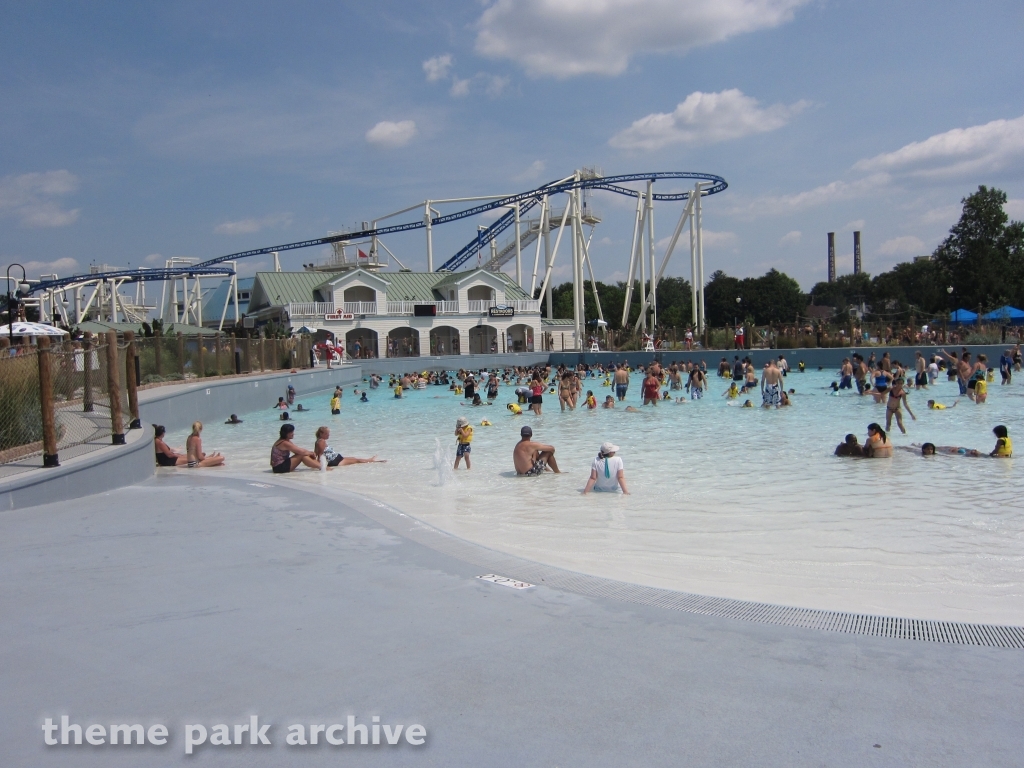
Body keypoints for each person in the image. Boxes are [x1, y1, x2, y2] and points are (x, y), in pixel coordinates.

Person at [314, 426, 383, 468]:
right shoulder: (322, 441)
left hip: (335, 458)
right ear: (321, 434)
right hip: (334, 461)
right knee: (357, 461)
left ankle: (369, 460)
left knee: (354, 458)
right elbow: (320, 455)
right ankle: (374, 461)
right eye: (327, 434)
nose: (328, 435)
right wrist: (322, 467)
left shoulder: (318, 441)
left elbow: (315, 454)